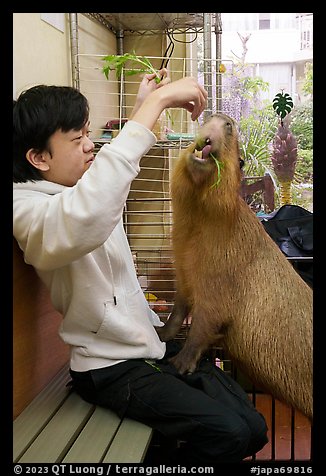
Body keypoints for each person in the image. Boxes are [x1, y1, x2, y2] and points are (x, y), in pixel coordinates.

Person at [13, 72, 268, 464]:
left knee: (254, 427)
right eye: (77, 138)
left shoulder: (77, 186)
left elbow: (103, 188)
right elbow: (89, 213)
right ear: (39, 158)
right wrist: (156, 104)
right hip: (108, 368)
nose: (90, 146)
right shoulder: (28, 211)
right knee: (230, 433)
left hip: (144, 345)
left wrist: (140, 106)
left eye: (88, 133)